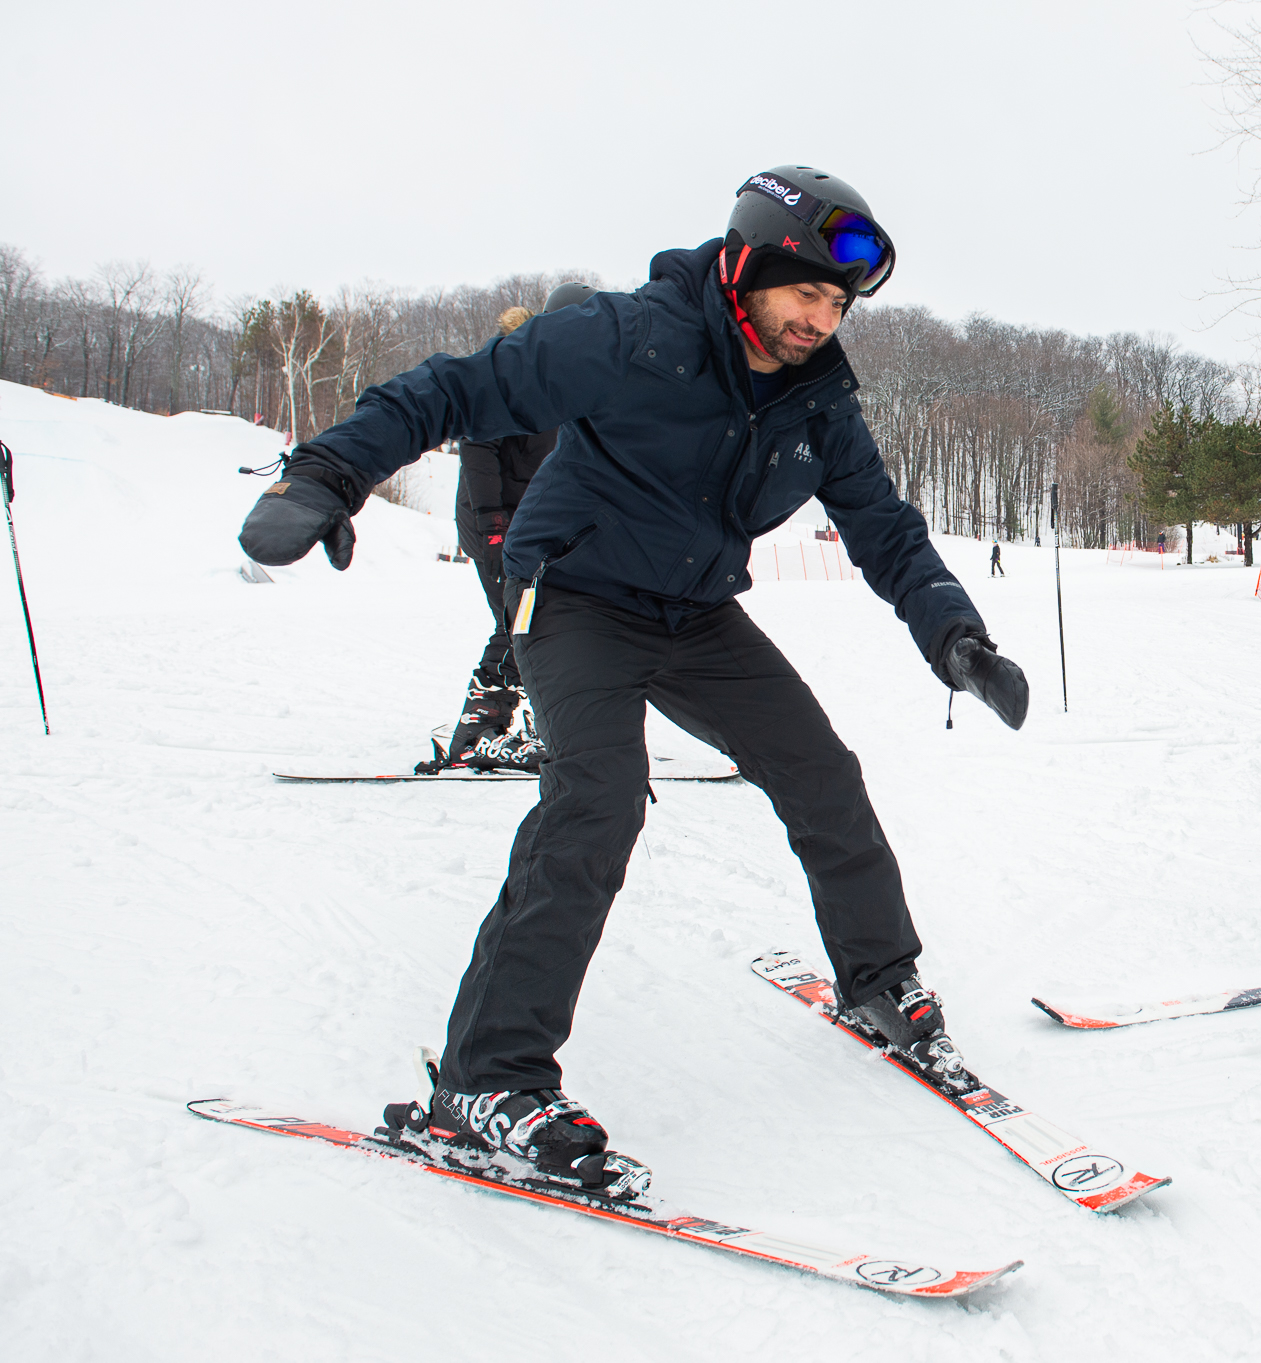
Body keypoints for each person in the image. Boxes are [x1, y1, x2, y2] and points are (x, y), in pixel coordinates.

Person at [238, 165, 1030, 1193]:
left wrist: (953, 638)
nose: (819, 319)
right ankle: (486, 1080)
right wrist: (329, 472)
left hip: (694, 611)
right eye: (804, 293)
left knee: (819, 771)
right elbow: (456, 388)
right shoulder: (631, 337)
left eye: (836, 304)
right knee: (598, 799)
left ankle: (878, 980)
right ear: (744, 266)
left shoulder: (816, 398)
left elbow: (882, 526)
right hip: (572, 596)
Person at [434, 282, 598, 773]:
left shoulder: (568, 379)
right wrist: (492, 523)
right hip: (496, 523)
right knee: (519, 621)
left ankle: (543, 721)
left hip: (533, 523)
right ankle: (476, 730)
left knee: (545, 619)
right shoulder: (508, 372)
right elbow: (478, 447)